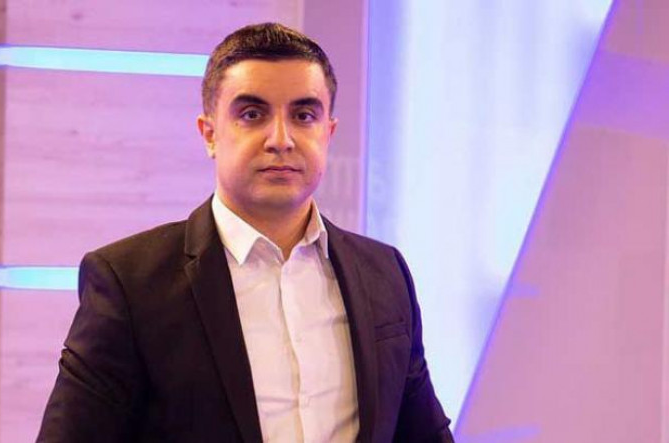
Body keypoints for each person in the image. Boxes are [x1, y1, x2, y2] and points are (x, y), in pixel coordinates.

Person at [37, 22, 453, 442]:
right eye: (252, 115)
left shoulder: (384, 273)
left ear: (328, 132)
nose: (281, 139)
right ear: (209, 134)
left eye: (303, 116)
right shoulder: (130, 282)